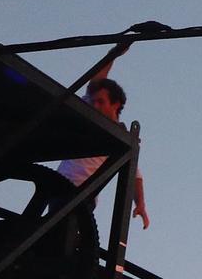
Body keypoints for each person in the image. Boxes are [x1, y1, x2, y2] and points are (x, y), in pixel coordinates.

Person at [56, 24, 164, 231]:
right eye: (93, 101)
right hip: (59, 187)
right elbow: (97, 79)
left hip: (83, 197)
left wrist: (140, 204)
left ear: (115, 105)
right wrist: (115, 52)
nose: (94, 105)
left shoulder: (119, 136)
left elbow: (135, 174)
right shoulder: (90, 113)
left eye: (100, 102)